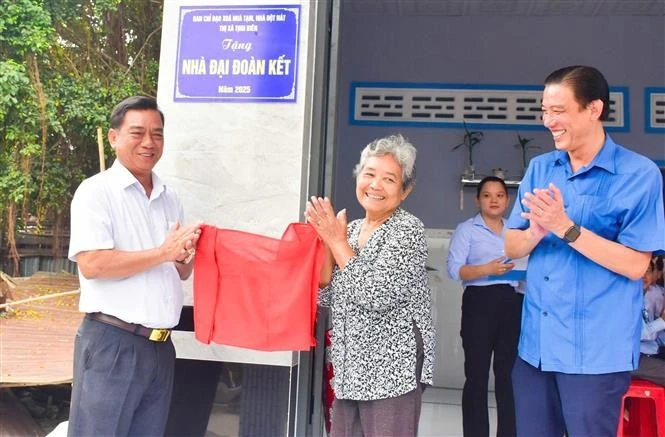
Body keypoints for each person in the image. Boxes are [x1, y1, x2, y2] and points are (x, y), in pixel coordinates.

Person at [505, 65, 665, 436]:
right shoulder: (541, 167)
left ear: (594, 109)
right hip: (536, 349)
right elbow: (512, 244)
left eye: (558, 111)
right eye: (544, 111)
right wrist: (535, 232)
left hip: (595, 354)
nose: (548, 121)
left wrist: (565, 227)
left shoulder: (639, 175)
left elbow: (635, 265)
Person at [67, 96, 202, 436]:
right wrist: (163, 251)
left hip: (159, 347)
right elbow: (93, 264)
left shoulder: (169, 196)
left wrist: (188, 253)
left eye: (157, 134)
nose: (148, 143)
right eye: (137, 133)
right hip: (113, 343)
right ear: (114, 138)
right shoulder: (96, 192)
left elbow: (177, 269)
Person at [304, 134, 435, 437]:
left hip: (393, 370)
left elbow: (376, 293)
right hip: (350, 370)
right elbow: (327, 297)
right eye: (369, 174)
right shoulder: (348, 230)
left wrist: (336, 242)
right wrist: (326, 242)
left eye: (389, 179)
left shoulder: (407, 229)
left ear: (404, 191)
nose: (375, 185)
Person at [447, 176, 523, 437]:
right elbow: (455, 270)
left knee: (509, 377)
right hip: (479, 304)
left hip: (513, 304)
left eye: (499, 195)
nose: (494, 200)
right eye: (488, 195)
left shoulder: (517, 230)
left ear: (507, 200)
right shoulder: (466, 229)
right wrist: (487, 270)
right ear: (477, 199)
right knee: (477, 376)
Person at [633, 259, 665, 386]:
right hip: (634, 358)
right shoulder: (626, 301)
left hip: (650, 352)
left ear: (654, 275)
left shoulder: (644, 299)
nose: (644, 276)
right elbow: (636, 334)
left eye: (648, 271)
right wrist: (662, 321)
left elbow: (656, 337)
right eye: (640, 271)